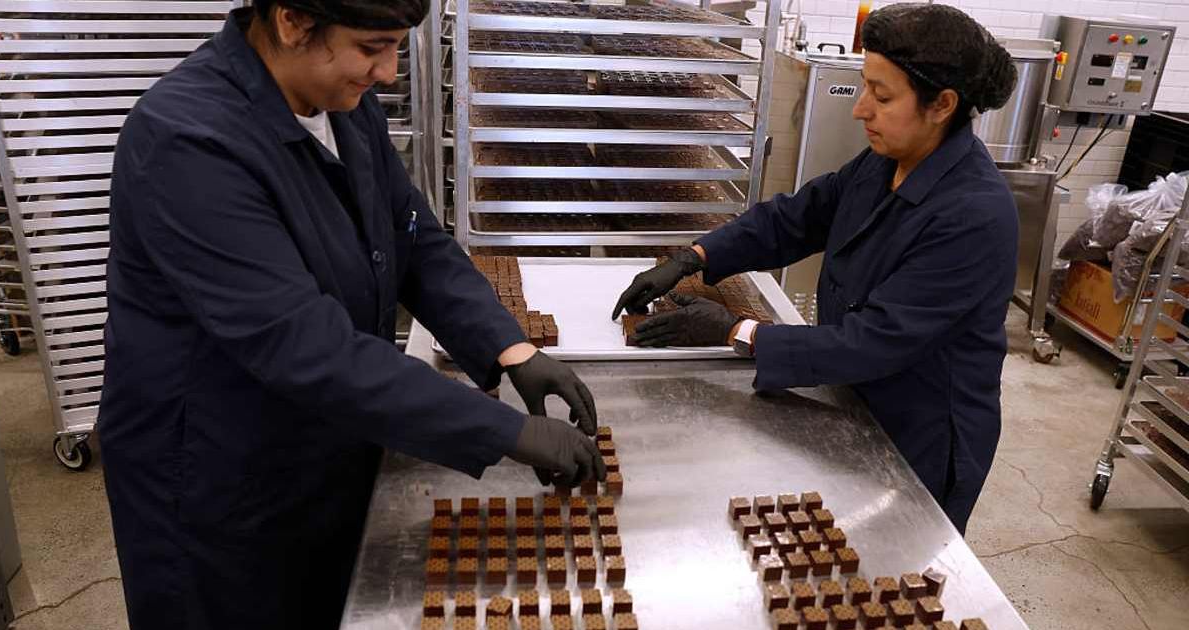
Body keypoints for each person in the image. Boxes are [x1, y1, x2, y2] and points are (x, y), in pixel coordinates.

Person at [98, 1, 603, 628]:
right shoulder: (187, 142)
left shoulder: (343, 107)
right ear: (291, 21)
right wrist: (500, 430)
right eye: (372, 47)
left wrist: (509, 348)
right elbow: (301, 343)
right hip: (220, 481)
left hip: (321, 440)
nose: (388, 72)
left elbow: (412, 237)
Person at [613, 4, 1019, 534]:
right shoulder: (886, 161)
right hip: (852, 396)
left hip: (920, 430)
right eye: (863, 87)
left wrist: (737, 330)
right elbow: (797, 219)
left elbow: (873, 342)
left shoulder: (974, 214)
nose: (861, 109)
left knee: (893, 574)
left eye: (882, 94)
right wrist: (697, 256)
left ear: (942, 104)